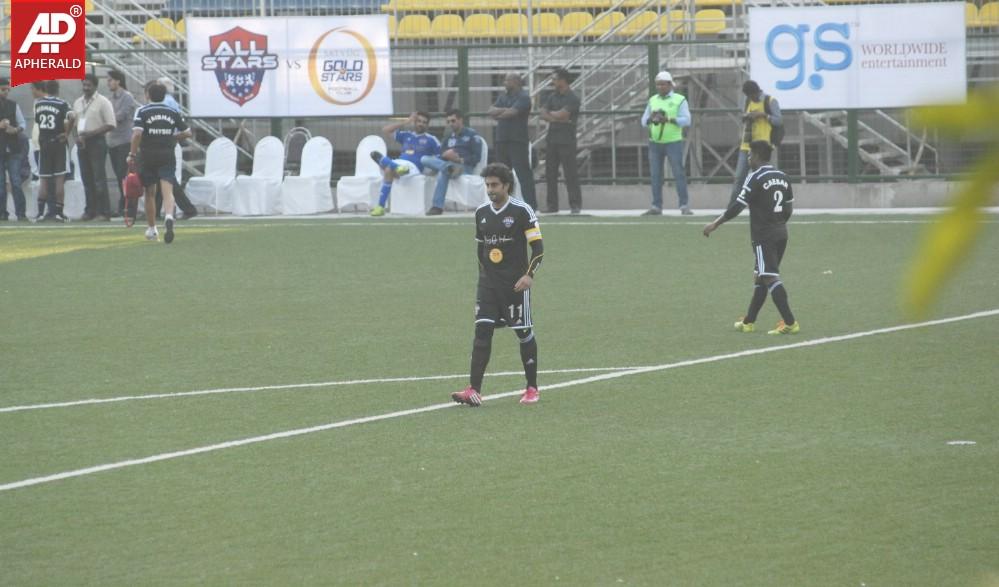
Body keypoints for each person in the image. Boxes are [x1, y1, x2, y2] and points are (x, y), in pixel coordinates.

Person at [452, 162, 544, 407]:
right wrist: (484, 277)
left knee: (523, 333)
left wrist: (529, 275)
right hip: (489, 286)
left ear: (506, 186)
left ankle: (532, 388)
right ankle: (474, 390)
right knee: (482, 331)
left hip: (515, 285)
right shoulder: (481, 213)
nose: (490, 189)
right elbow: (481, 249)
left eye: (494, 185)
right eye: (487, 185)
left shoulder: (522, 211)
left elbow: (538, 248)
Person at [702, 140, 799, 335]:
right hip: (781, 233)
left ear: (755, 156)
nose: (747, 158)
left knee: (770, 277)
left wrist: (715, 224)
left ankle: (790, 322)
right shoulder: (783, 177)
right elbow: (788, 209)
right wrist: (777, 223)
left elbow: (737, 206)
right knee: (760, 276)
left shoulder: (755, 177)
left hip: (764, 236)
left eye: (749, 155)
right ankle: (748, 322)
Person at [129, 82, 190, 244]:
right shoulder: (172, 111)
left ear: (148, 94)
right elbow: (187, 132)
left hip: (148, 155)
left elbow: (136, 135)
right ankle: (169, 216)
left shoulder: (142, 111)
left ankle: (152, 228)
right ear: (164, 96)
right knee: (167, 191)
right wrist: (172, 137)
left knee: (150, 192)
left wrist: (132, 154)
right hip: (167, 154)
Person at [368, 111, 441, 217]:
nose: (421, 124)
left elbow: (439, 158)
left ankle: (380, 206)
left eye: (424, 122)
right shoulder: (406, 135)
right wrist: (407, 121)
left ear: (427, 125)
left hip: (414, 167)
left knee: (387, 167)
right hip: (400, 163)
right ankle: (397, 168)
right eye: (419, 121)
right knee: (374, 155)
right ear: (415, 122)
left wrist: (432, 171)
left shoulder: (431, 139)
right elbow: (386, 130)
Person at [144, 80, 197, 221]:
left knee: (167, 179)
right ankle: (159, 210)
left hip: (163, 144)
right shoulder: (170, 102)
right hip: (168, 144)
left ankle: (187, 208)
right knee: (164, 178)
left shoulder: (160, 106)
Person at [641, 71, 692, 215]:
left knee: (678, 173)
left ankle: (684, 205)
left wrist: (669, 119)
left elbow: (687, 120)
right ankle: (656, 206)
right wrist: (651, 118)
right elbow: (643, 121)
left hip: (673, 142)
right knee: (655, 175)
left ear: (670, 85)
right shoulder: (652, 100)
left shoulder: (679, 99)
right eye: (658, 84)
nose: (660, 87)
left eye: (663, 84)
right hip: (655, 143)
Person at [728, 80, 782, 206]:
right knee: (739, 178)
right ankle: (731, 207)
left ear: (756, 92)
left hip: (763, 147)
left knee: (765, 178)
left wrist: (763, 115)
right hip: (746, 145)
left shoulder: (770, 101)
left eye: (751, 95)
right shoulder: (747, 101)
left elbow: (778, 120)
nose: (751, 98)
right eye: (748, 96)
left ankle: (770, 205)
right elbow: (743, 117)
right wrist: (747, 117)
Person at [488, 72, 536, 209]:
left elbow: (512, 113)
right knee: (503, 174)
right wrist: (504, 110)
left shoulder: (524, 98)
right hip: (502, 139)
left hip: (517, 140)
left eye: (507, 80)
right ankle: (505, 204)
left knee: (523, 174)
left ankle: (531, 205)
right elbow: (491, 111)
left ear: (516, 82)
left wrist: (501, 113)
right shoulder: (504, 97)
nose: (505, 83)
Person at [421, 109, 482, 216]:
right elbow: (441, 155)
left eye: (453, 121)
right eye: (448, 122)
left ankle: (437, 207)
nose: (450, 124)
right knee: (424, 159)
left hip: (464, 167)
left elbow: (477, 157)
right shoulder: (448, 137)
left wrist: (460, 160)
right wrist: (445, 156)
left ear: (460, 120)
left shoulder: (472, 135)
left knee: (444, 172)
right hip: (449, 165)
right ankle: (448, 167)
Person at [73, 73, 116, 221]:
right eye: (84, 85)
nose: (85, 88)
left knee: (98, 178)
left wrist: (91, 134)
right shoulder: (78, 102)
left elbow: (111, 124)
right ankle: (90, 210)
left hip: (97, 141)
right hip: (82, 142)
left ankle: (103, 212)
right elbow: (74, 122)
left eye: (88, 85)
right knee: (86, 178)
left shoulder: (103, 102)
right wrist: (76, 137)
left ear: (95, 86)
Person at [540, 67, 582, 214]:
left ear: (563, 80)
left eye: (555, 79)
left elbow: (563, 114)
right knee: (550, 173)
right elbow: (543, 114)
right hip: (552, 139)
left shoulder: (573, 98)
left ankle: (575, 205)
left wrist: (554, 116)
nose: (553, 81)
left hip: (566, 140)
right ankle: (552, 206)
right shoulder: (552, 97)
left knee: (570, 173)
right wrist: (556, 117)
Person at [34, 80, 74, 222]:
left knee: (43, 180)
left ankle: (39, 214)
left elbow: (38, 121)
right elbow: (72, 116)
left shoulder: (38, 104)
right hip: (58, 143)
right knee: (59, 179)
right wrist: (67, 133)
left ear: (45, 88)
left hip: (44, 144)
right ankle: (59, 213)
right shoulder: (62, 103)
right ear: (57, 89)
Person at [106, 69, 138, 218]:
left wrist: (105, 120)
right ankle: (123, 205)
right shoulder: (110, 98)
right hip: (112, 142)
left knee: (124, 175)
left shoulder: (127, 97)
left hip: (124, 141)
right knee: (119, 176)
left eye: (110, 80)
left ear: (118, 81)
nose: (108, 82)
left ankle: (128, 207)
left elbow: (120, 116)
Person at [0, 78, 28, 221]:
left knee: (16, 182)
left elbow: (23, 123)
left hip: (13, 148)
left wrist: (16, 129)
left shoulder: (13, 105)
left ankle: (21, 214)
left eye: (8, 89)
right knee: (1, 185)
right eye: (3, 89)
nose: (6, 92)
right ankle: (2, 214)